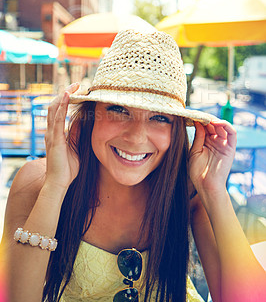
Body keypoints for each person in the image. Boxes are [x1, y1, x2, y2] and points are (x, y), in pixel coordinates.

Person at [2, 29, 265, 302]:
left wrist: (214, 189)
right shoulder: (37, 182)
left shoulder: (186, 189)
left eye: (160, 118)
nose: (137, 137)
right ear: (91, 116)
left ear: (176, 131)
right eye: (119, 109)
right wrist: (55, 186)